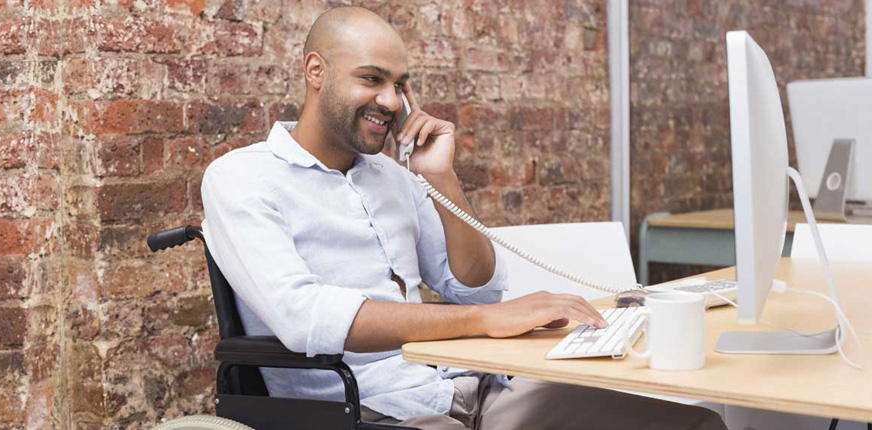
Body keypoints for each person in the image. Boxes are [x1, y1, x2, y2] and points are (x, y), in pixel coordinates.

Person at [201, 6, 726, 430]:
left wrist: (442, 180)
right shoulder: (241, 178)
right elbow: (304, 316)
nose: (390, 100)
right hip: (371, 411)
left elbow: (474, 289)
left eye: (399, 84)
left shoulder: (393, 176)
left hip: (472, 389)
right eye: (371, 79)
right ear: (316, 72)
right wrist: (484, 323)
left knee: (698, 423)